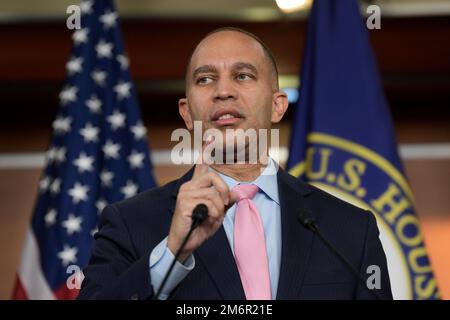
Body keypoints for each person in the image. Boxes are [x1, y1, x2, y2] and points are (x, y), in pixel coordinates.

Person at [78, 27, 392, 300]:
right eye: (205, 79)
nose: (223, 91)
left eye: (242, 76)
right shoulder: (130, 223)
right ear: (187, 114)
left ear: (277, 106)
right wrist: (173, 252)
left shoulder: (350, 229)